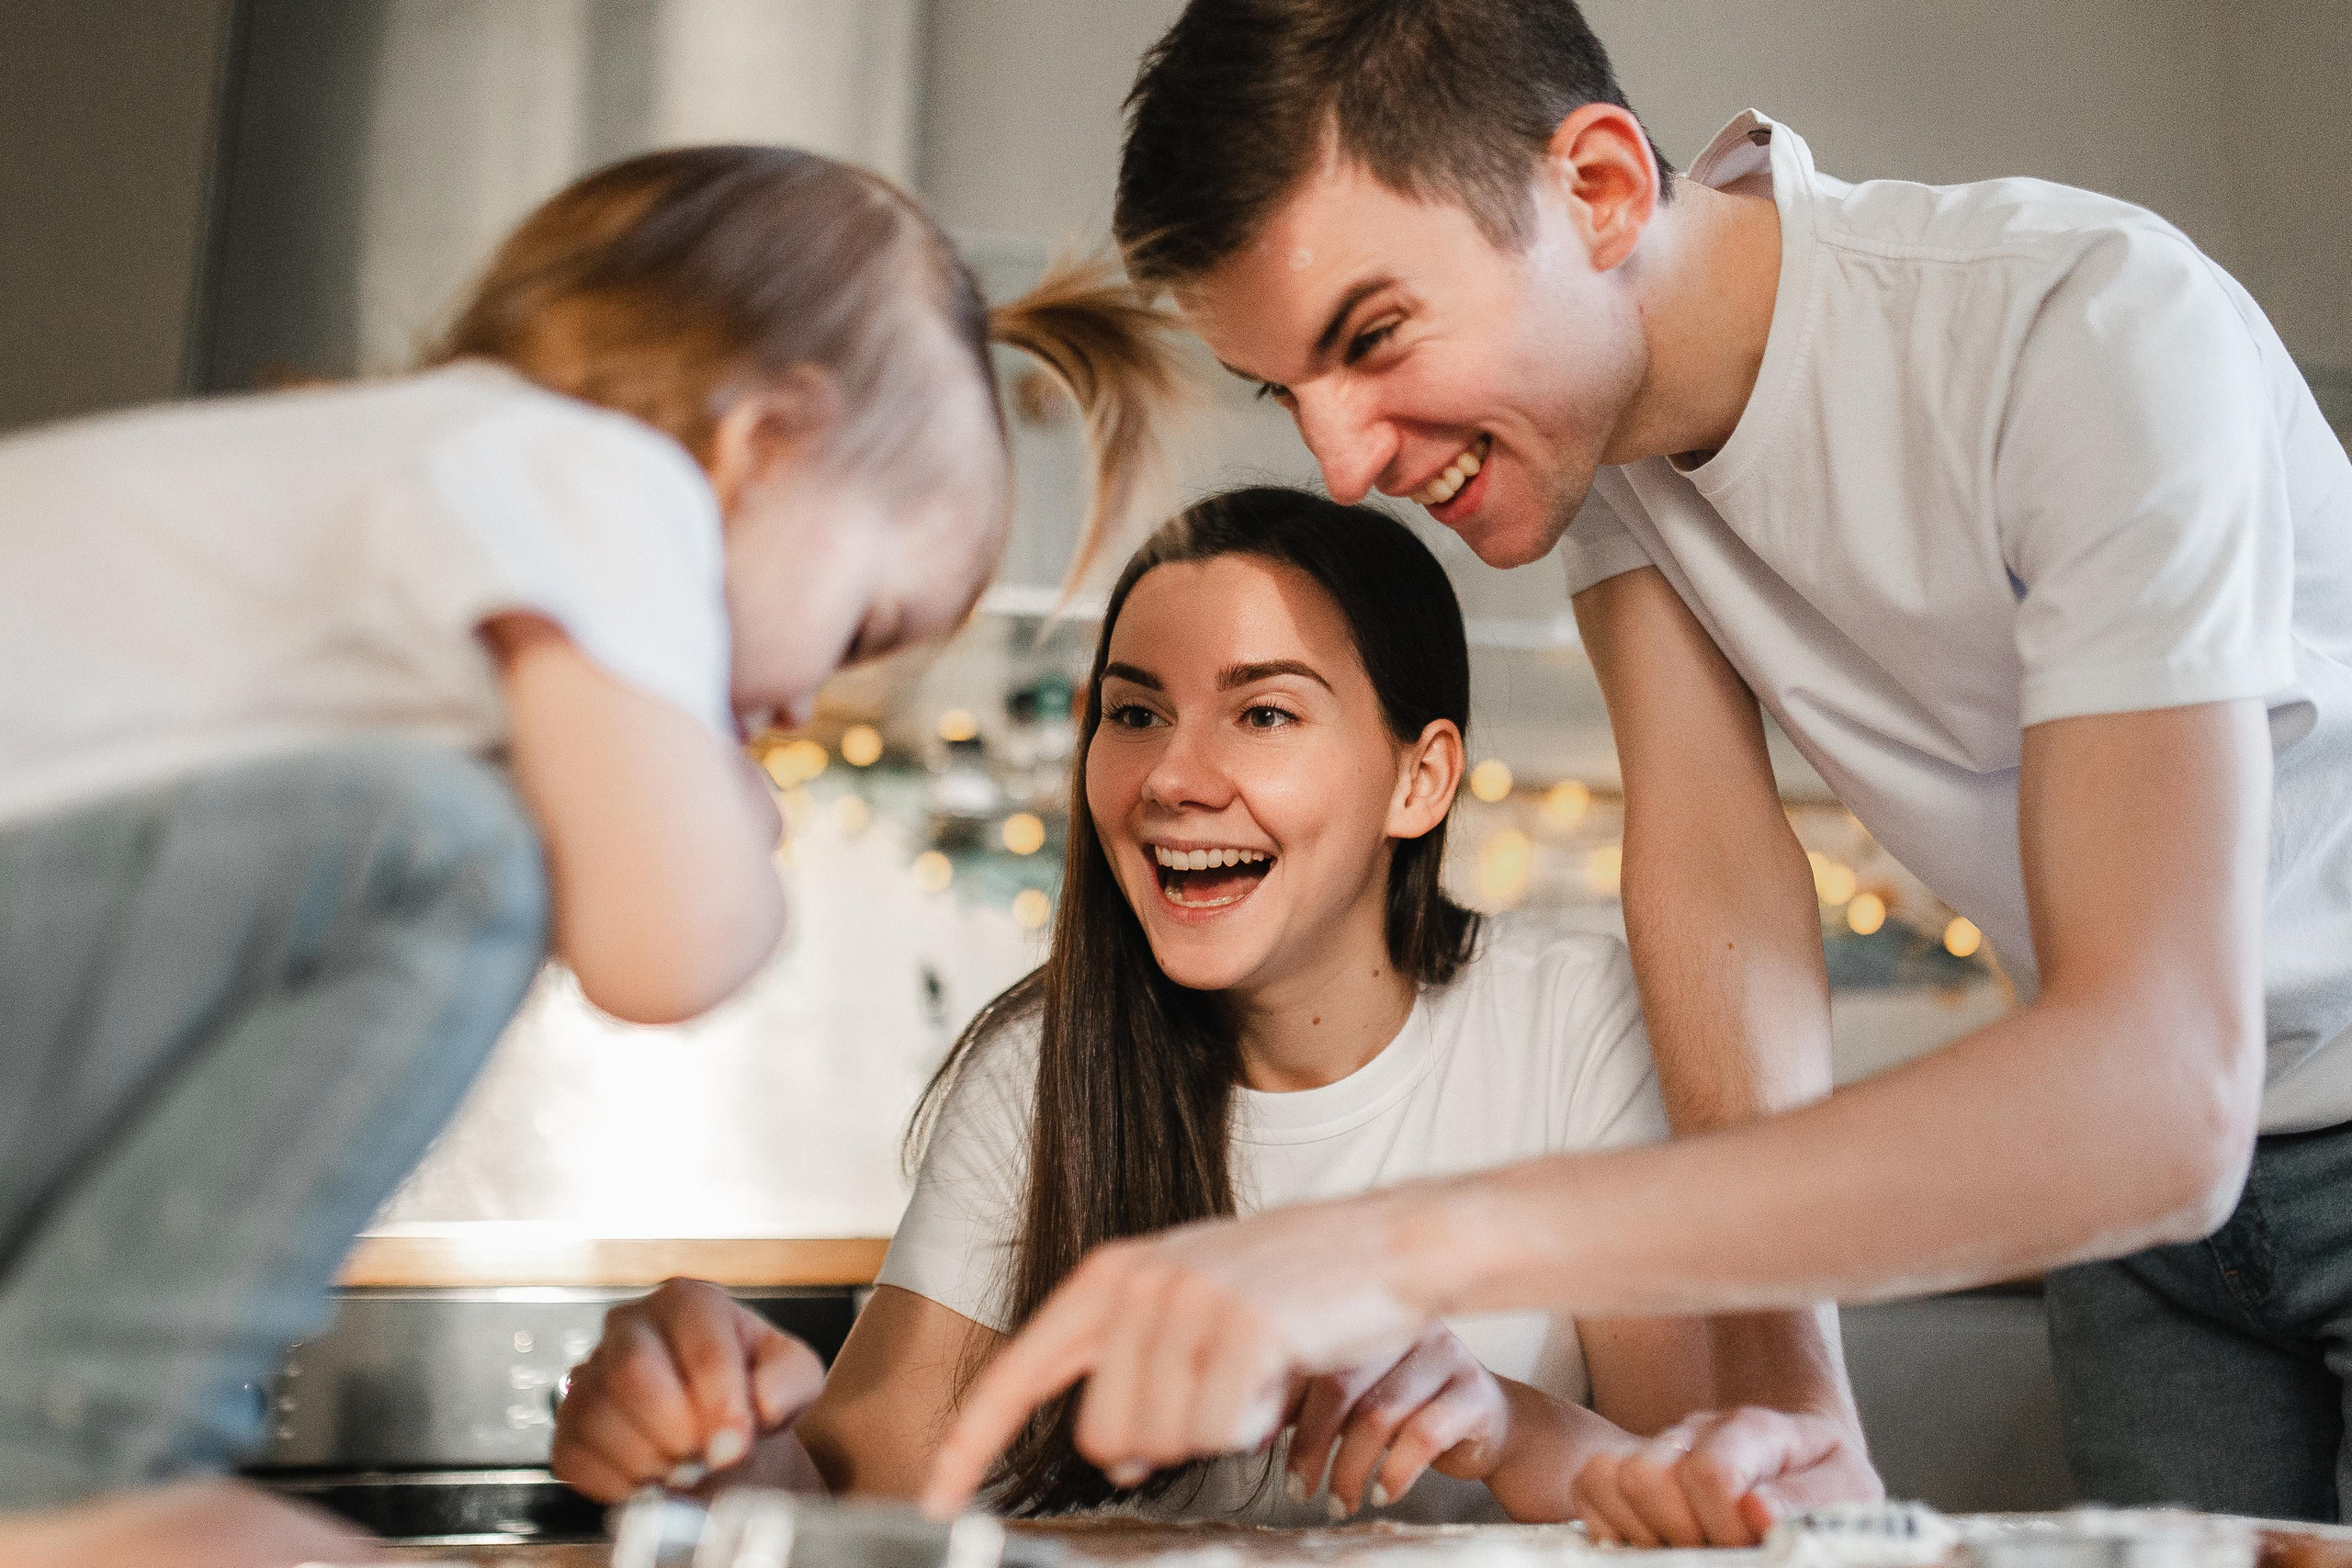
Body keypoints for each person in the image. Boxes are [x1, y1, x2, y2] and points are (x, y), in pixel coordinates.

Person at [920, 0, 2352, 1535]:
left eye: (1375, 338)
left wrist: (1395, 1246)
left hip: (2177, 1114)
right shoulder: (1611, 470)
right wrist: (1794, 1397)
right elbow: (1721, 892)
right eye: (1290, 393)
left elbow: (2157, 1091)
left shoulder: (2089, 329)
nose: (1341, 468)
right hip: (2142, 1236)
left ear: (1597, 189)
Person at [0, 144, 1180, 1565]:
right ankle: (73, 1466)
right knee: (473, 854)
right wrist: (737, 824)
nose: (809, 708)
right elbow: (669, 942)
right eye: (865, 625)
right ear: (766, 443)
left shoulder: (431, 490)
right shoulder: (597, 475)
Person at [552, 487, 1842, 1533]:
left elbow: (1702, 1511)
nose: (1173, 776)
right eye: (1135, 713)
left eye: (1263, 711)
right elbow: (850, 1514)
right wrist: (707, 1441)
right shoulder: (1038, 1069)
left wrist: (1510, 1426)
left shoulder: (1577, 1026)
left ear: (1420, 778)